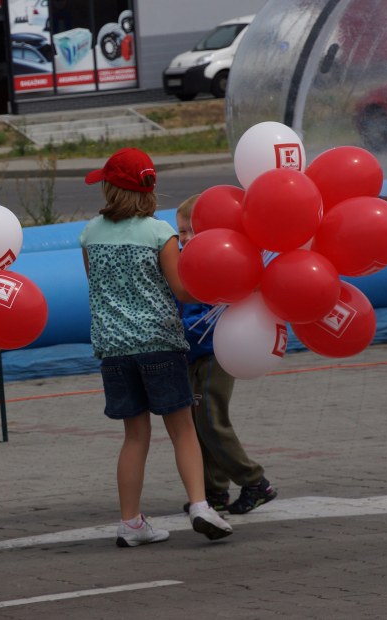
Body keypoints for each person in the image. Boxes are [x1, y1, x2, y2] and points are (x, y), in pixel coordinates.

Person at [79, 147, 234, 548]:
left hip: (113, 347)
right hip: (159, 343)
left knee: (135, 436)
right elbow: (181, 290)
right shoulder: (160, 234)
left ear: (111, 190)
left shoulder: (90, 234)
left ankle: (130, 523)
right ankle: (200, 505)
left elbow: (96, 285)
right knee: (182, 429)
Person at [176, 194, 278, 515]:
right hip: (191, 354)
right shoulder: (182, 261)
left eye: (192, 231)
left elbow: (212, 311)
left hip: (214, 353)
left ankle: (254, 481)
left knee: (210, 421)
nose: (185, 238)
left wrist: (179, 330)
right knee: (196, 422)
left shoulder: (215, 262)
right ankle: (214, 490)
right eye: (181, 232)